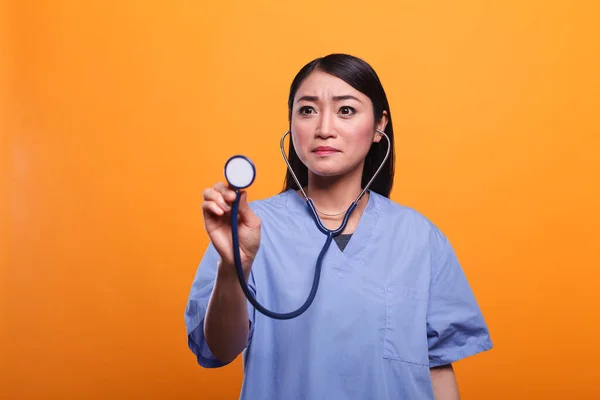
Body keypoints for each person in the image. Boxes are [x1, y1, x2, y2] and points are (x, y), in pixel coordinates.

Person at [184, 53, 493, 399]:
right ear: (291, 124)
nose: (324, 128)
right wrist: (232, 268)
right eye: (307, 110)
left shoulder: (419, 238)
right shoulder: (247, 227)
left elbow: (436, 367)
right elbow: (221, 349)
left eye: (346, 110)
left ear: (380, 126)